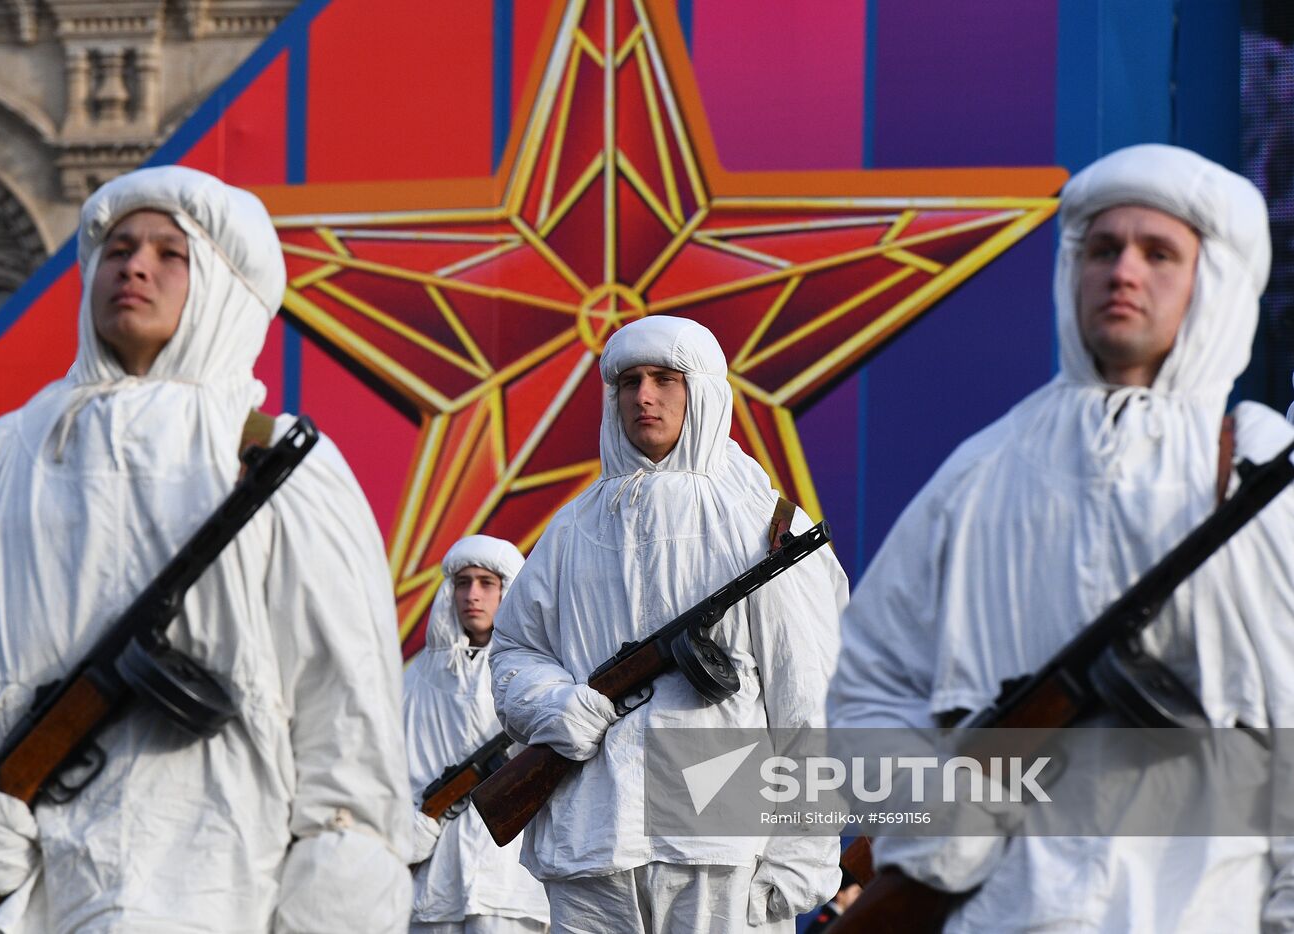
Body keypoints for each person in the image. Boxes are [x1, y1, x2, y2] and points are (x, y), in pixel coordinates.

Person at [0, 166, 411, 932]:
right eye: (116, 248)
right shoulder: (7, 454)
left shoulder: (273, 461)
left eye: (171, 253)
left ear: (225, 285)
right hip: (30, 898)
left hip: (221, 890)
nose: (134, 265)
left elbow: (349, 720)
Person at [828, 143, 1294, 931]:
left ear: (1210, 282)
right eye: (1103, 249)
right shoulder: (979, 474)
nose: (1124, 273)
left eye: (1159, 253)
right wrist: (936, 825)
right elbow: (866, 690)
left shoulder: (1251, 472)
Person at [489, 315, 849, 933]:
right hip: (593, 839)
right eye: (629, 382)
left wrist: (800, 856)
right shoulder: (573, 530)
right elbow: (515, 651)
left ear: (702, 390)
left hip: (722, 840)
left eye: (665, 379)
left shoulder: (766, 529)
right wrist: (556, 707)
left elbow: (810, 700)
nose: (644, 397)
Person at [404, 534, 550, 933]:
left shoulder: (540, 671)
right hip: (436, 884)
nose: (473, 595)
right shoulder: (417, 678)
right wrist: (414, 827)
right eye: (463, 582)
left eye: (487, 583)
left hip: (510, 881)